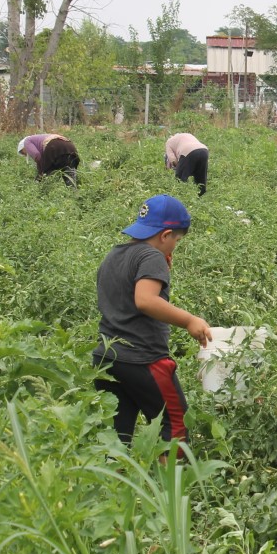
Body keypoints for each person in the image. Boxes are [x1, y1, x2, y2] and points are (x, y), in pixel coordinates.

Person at [93, 194, 212, 454]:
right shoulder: (151, 257)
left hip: (107, 356)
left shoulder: (114, 255)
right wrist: (189, 320)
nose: (175, 247)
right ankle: (170, 479)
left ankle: (116, 477)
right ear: (166, 234)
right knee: (176, 423)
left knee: (116, 436)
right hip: (142, 359)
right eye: (177, 241)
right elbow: (145, 300)